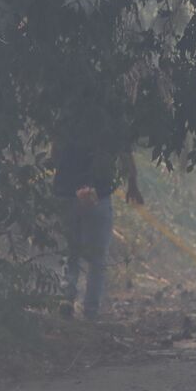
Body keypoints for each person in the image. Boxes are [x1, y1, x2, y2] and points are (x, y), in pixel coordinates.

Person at [52, 110, 143, 321]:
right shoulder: (112, 117)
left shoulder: (65, 114)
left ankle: (66, 299)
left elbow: (54, 153)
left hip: (66, 192)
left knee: (70, 250)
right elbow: (125, 155)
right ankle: (90, 310)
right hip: (98, 194)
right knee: (97, 257)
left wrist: (67, 175)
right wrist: (132, 185)